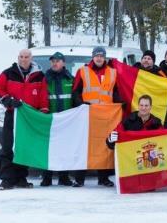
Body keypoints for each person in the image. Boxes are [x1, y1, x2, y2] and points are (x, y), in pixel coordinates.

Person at [0, 49, 49, 190]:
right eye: (21, 57)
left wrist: (42, 112)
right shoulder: (8, 73)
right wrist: (8, 100)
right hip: (12, 115)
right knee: (8, 146)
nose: (24, 59)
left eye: (26, 57)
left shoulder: (39, 76)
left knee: (24, 147)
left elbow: (43, 96)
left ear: (31, 59)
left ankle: (21, 178)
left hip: (29, 117)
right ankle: (7, 179)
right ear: (18, 58)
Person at [71, 46, 120, 187]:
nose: (99, 58)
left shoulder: (113, 72)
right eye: (96, 55)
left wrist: (120, 102)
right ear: (92, 57)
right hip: (87, 115)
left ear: (105, 57)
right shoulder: (83, 71)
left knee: (104, 145)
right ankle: (79, 178)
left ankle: (103, 178)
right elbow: (76, 92)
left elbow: (115, 91)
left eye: (101, 56)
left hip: (106, 116)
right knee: (84, 145)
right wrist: (81, 105)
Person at [40, 52, 75, 187]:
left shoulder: (70, 79)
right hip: (49, 120)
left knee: (64, 148)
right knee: (48, 149)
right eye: (53, 61)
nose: (55, 63)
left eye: (58, 61)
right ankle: (46, 177)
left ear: (63, 63)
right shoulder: (45, 79)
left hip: (66, 121)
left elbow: (75, 98)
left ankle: (63, 177)